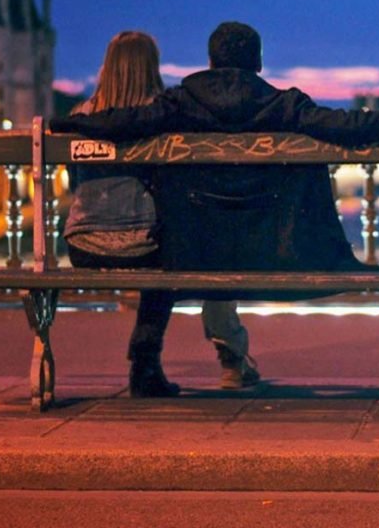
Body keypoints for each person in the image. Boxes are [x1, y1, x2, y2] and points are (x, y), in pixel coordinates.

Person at [52, 21, 379, 280]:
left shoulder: (182, 102)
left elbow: (124, 123)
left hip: (198, 245)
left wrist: (67, 124)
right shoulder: (280, 104)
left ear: (210, 61)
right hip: (271, 247)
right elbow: (349, 126)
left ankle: (150, 361)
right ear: (257, 61)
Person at [62, 31, 258, 397]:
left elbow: (75, 182)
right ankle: (148, 358)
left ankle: (152, 360)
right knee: (176, 252)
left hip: (83, 243)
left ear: (108, 67)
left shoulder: (80, 117)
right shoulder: (165, 118)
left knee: (164, 253)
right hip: (145, 245)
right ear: (152, 67)